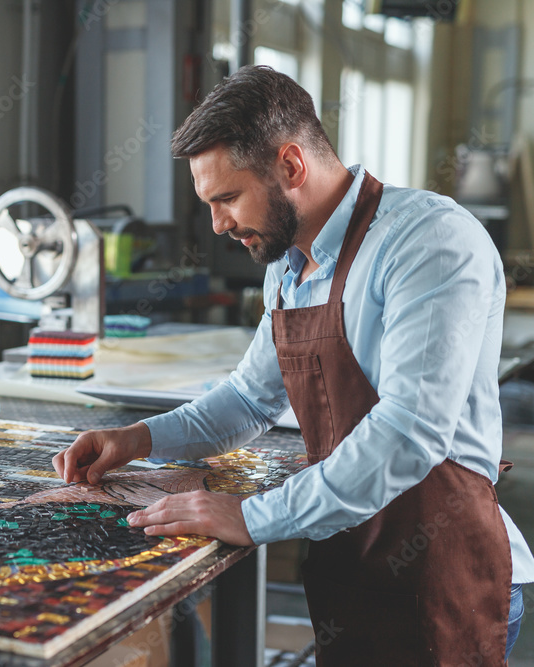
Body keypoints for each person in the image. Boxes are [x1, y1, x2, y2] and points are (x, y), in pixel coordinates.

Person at [52, 65, 533, 664]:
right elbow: (249, 400)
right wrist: (138, 438)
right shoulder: (290, 267)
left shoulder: (427, 242)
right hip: (349, 562)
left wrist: (252, 516)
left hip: (443, 574)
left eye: (227, 198)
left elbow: (411, 432)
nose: (218, 224)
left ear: (291, 166)